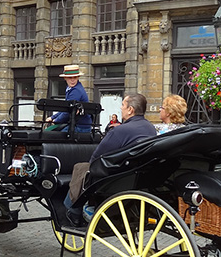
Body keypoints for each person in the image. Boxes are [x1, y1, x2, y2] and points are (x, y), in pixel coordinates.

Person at [65, 93, 157, 226]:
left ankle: (72, 210)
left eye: (123, 105)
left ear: (130, 109)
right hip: (137, 174)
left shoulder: (121, 131)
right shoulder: (150, 128)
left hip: (117, 178)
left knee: (81, 168)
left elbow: (96, 157)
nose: (121, 108)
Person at [45, 64, 92, 133]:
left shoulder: (75, 91)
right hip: (78, 124)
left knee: (51, 135)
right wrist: (53, 117)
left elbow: (67, 112)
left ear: (78, 77)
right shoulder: (71, 88)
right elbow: (65, 108)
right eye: (70, 78)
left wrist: (56, 121)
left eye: (75, 77)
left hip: (80, 127)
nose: (72, 80)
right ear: (65, 78)